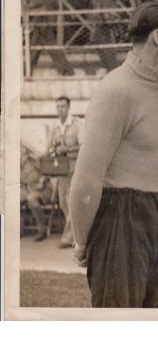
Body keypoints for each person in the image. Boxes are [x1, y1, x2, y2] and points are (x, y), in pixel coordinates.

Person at [70, 1, 158, 308]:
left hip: (153, 210)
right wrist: (84, 240)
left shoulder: (148, 85)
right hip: (119, 220)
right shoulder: (116, 90)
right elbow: (85, 180)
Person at [46, 96, 83, 248]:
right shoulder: (54, 127)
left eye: (63, 106)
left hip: (75, 170)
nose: (60, 109)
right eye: (58, 107)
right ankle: (77, 236)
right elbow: (48, 148)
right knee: (63, 203)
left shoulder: (77, 124)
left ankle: (70, 239)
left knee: (72, 203)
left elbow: (84, 146)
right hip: (61, 172)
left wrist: (66, 149)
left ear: (69, 108)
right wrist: (54, 150)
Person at [22, 0, 75, 76]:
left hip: (39, 15)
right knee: (40, 44)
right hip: (40, 14)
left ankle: (26, 70)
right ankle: (66, 69)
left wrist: (28, 5)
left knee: (41, 43)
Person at [20, 144, 53, 241]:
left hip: (44, 190)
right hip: (28, 189)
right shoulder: (17, 165)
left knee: (31, 199)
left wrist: (41, 183)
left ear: (24, 151)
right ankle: (18, 230)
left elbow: (47, 173)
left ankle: (42, 230)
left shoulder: (34, 160)